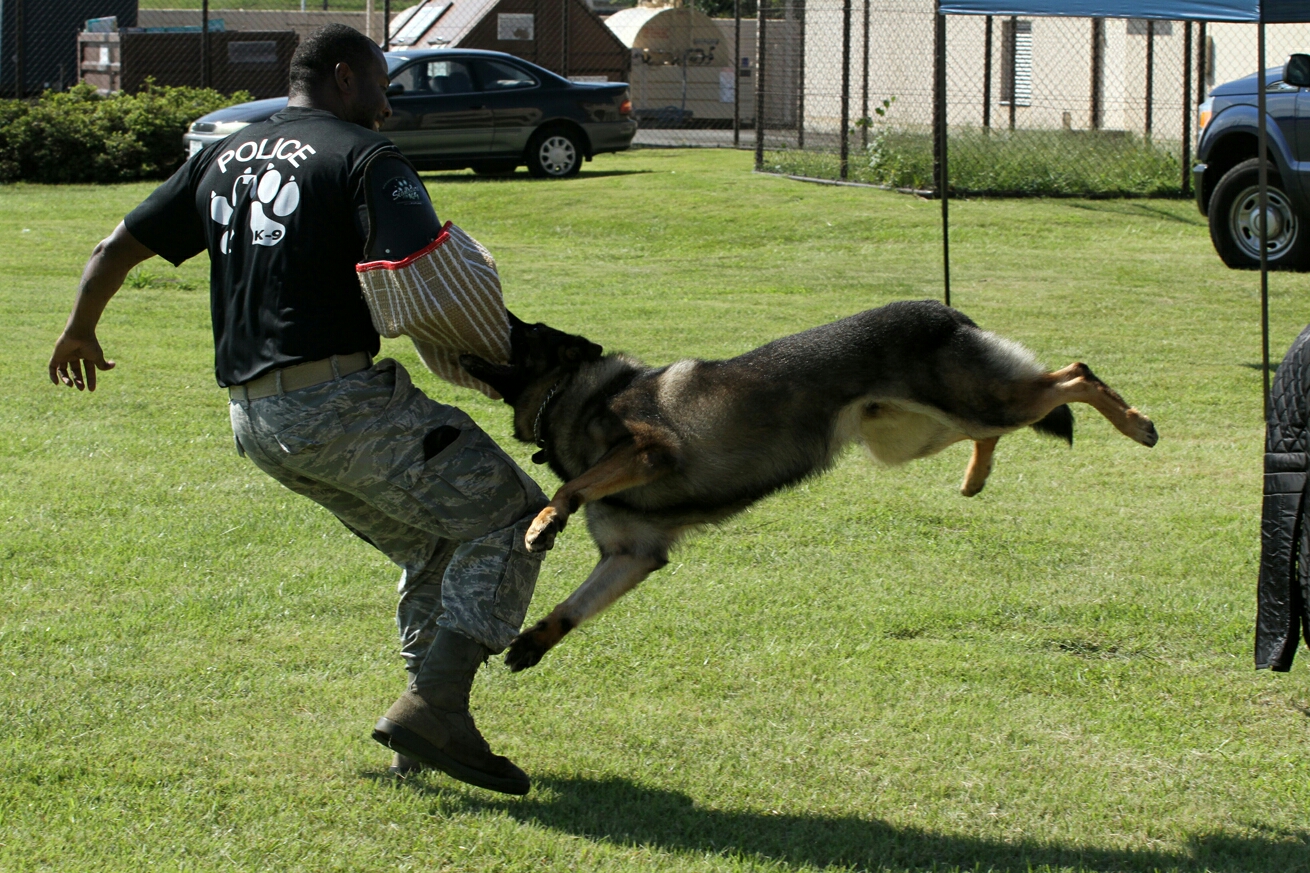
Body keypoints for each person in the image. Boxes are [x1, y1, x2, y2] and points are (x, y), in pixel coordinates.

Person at [48, 24, 551, 796]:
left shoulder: (222, 154)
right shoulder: (365, 156)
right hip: (337, 404)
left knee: (439, 543)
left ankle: (419, 742)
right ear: (345, 77)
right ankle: (437, 703)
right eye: (382, 85)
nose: (386, 107)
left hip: (256, 422)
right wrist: (506, 360)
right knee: (514, 514)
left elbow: (114, 246)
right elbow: (431, 270)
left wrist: (80, 328)